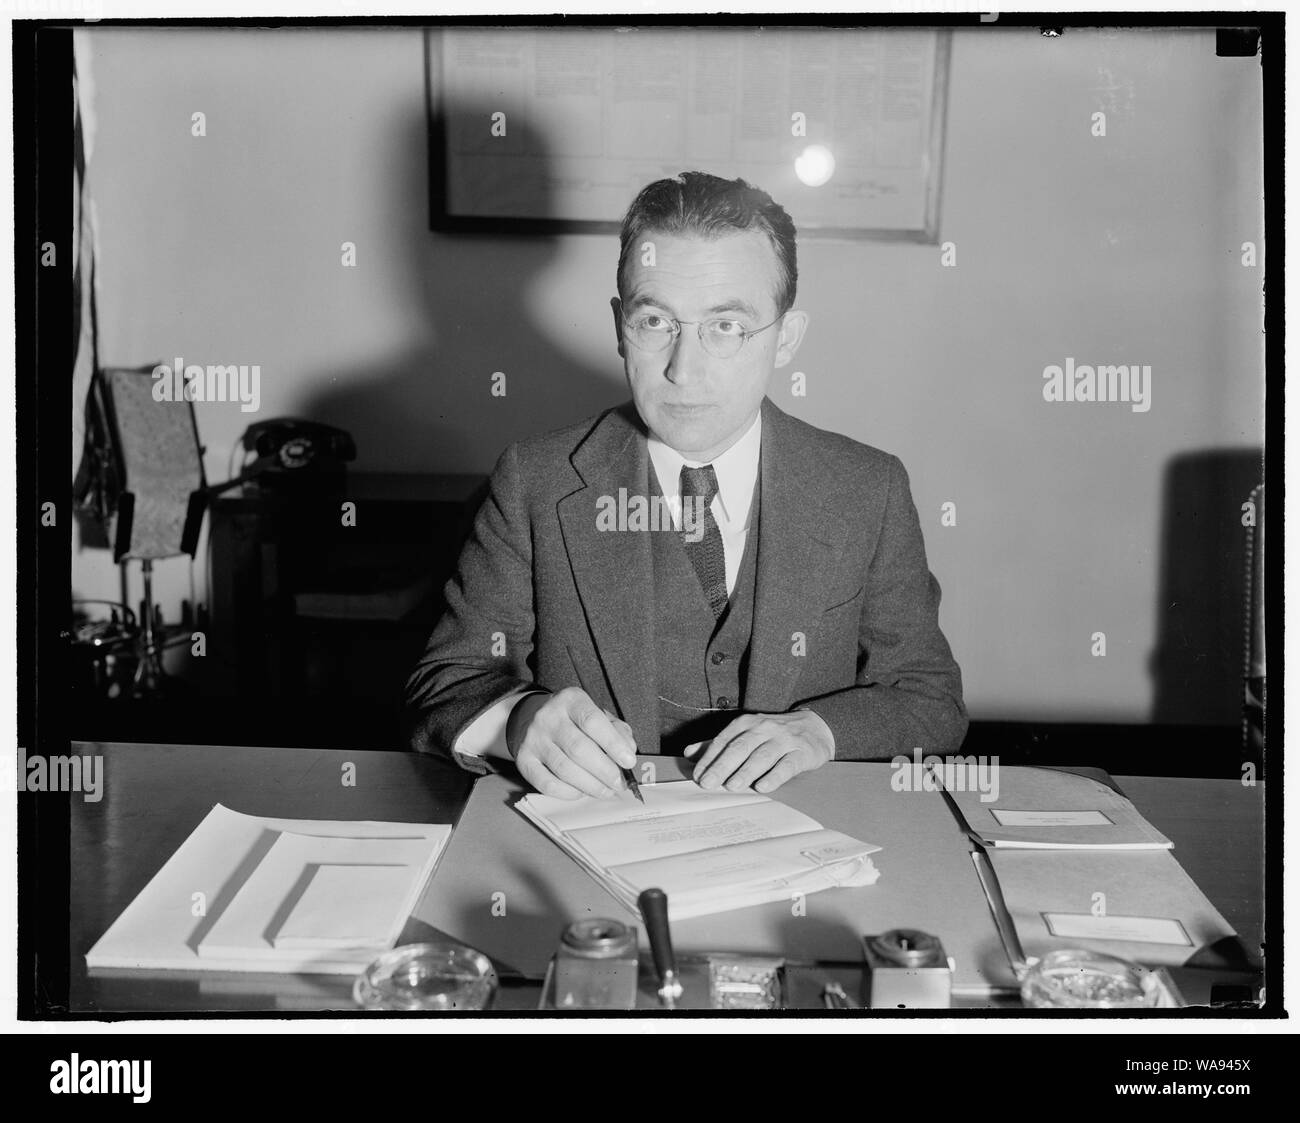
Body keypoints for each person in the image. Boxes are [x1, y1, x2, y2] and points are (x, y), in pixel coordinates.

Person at [406, 171, 966, 799]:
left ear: (786, 339)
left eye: (726, 326)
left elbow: (929, 699)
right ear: (621, 326)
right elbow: (449, 682)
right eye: (655, 322)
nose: (684, 369)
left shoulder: (867, 487)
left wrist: (821, 731)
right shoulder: (534, 480)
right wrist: (517, 720)